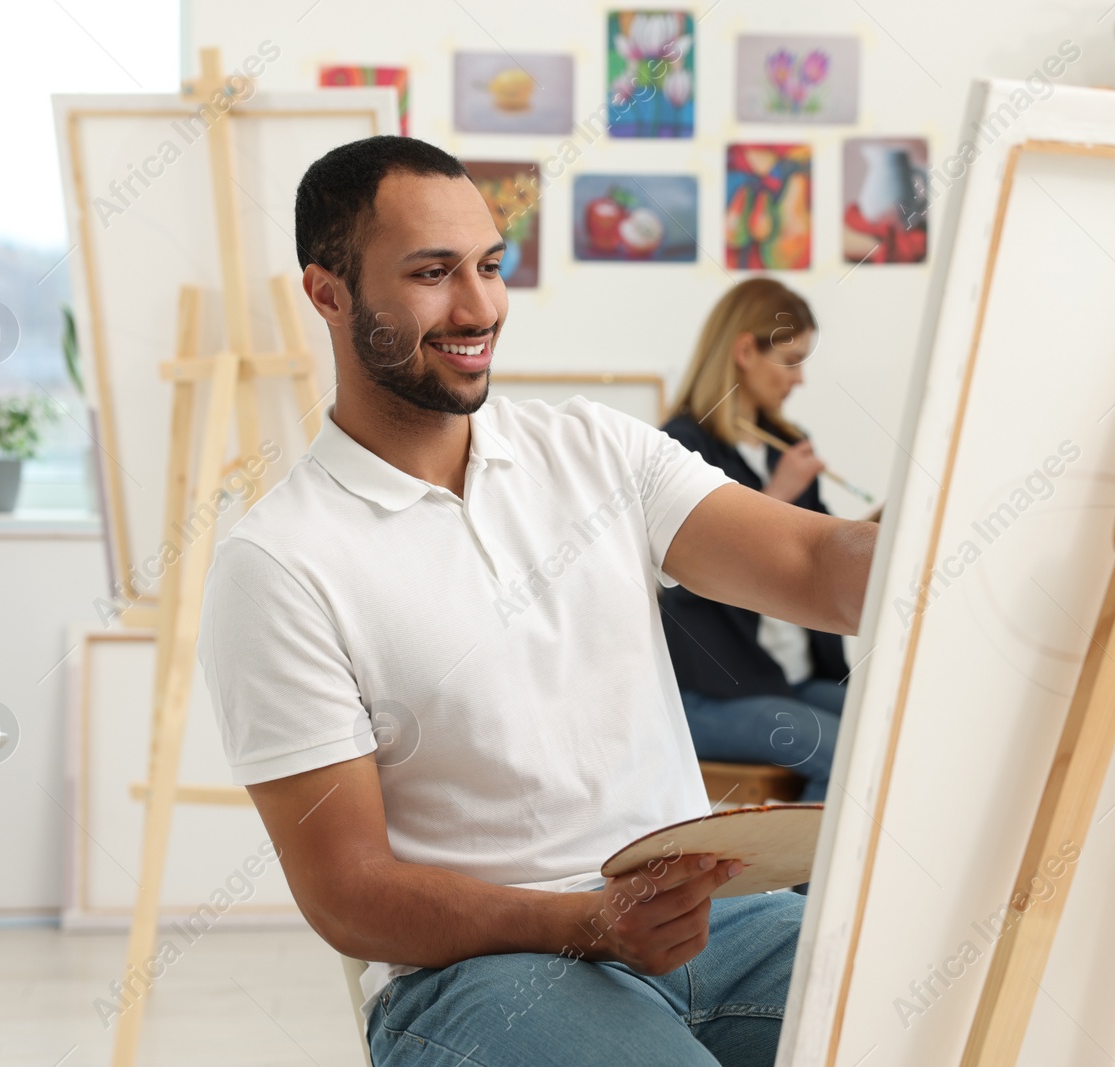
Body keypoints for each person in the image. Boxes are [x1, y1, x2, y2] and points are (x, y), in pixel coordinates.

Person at [196, 135, 876, 1067]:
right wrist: (591, 922)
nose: (478, 306)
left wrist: (972, 509)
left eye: (489, 266)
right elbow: (346, 893)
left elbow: (816, 566)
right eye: (433, 273)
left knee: (967, 1005)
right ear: (328, 293)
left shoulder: (596, 449)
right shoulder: (277, 563)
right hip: (485, 972)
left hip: (718, 925)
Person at [660, 279, 850, 806]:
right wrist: (778, 495)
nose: (800, 379)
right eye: (790, 361)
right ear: (745, 351)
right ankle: (810, 893)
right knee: (841, 752)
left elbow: (823, 555)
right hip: (712, 692)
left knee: (893, 731)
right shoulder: (680, 447)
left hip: (790, 677)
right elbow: (683, 581)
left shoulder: (789, 444)